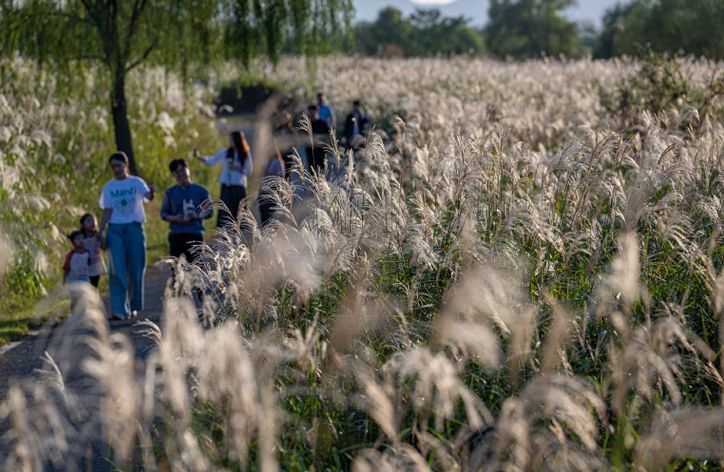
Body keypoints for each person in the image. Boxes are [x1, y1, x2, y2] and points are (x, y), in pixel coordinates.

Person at [98, 151, 155, 321]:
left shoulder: (136, 182)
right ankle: (119, 310)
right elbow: (107, 210)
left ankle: (133, 304)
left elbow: (148, 197)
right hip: (115, 229)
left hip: (134, 228)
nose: (116, 169)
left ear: (126, 165)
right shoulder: (109, 187)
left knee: (136, 267)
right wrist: (100, 231)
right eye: (113, 167)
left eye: (119, 165)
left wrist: (152, 191)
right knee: (117, 269)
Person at [195, 131, 253, 228]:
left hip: (238, 186)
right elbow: (212, 160)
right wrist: (199, 157)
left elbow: (249, 170)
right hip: (226, 185)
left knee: (238, 210)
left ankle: (237, 231)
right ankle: (225, 232)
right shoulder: (225, 152)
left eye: (232, 139)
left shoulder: (245, 154)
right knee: (225, 210)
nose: (230, 141)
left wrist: (238, 168)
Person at [160, 159, 212, 263]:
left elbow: (209, 212)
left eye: (182, 170)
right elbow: (163, 214)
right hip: (176, 236)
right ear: (173, 175)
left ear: (188, 169)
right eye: (177, 172)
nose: (181, 174)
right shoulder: (169, 193)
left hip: (195, 234)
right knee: (177, 269)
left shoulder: (202, 191)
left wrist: (196, 215)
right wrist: (174, 218)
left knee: (196, 268)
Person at [258, 151, 286, 227]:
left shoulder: (277, 161)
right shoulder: (264, 161)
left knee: (271, 210)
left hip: (272, 188)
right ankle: (264, 228)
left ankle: (271, 228)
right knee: (263, 210)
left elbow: (281, 175)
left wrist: (269, 175)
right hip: (263, 188)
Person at [79, 212, 107, 288]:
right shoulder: (81, 239)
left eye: (93, 220)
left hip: (95, 266)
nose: (92, 222)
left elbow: (104, 247)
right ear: (83, 225)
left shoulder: (97, 236)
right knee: (85, 287)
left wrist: (101, 237)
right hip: (85, 267)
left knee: (94, 286)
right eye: (88, 221)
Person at [305, 104, 330, 176]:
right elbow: (303, 136)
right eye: (310, 111)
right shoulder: (307, 124)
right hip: (310, 150)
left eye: (313, 111)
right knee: (312, 170)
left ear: (317, 111)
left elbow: (327, 136)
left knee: (322, 170)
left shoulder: (322, 123)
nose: (312, 113)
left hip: (321, 150)